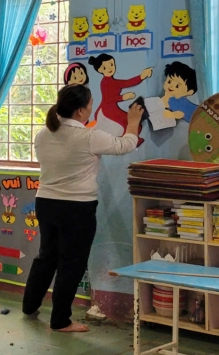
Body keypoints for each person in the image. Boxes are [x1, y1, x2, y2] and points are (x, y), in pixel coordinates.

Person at [22, 85, 141, 332]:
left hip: (45, 203)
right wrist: (133, 121)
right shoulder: (89, 137)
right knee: (71, 263)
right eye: (89, 104)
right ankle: (61, 321)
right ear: (79, 111)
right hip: (76, 208)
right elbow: (125, 145)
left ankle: (30, 306)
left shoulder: (43, 134)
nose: (91, 108)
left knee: (47, 256)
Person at [87, 53, 152, 145]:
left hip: (113, 109)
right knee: (127, 122)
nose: (110, 68)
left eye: (111, 65)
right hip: (107, 110)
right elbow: (108, 99)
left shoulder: (113, 81)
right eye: (105, 67)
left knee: (133, 121)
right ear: (100, 70)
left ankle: (131, 140)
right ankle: (127, 141)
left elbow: (127, 83)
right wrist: (123, 97)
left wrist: (142, 76)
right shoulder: (105, 82)